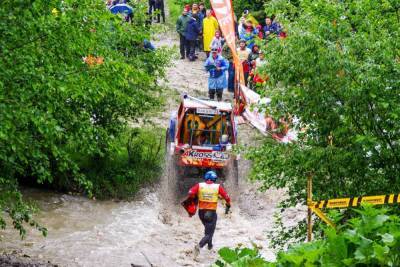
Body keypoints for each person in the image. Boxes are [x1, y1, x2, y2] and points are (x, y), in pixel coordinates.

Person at [188, 171, 231, 256]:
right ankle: (199, 246)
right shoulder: (217, 187)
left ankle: (210, 246)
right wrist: (228, 204)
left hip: (201, 213)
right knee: (209, 233)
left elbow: (190, 192)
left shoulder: (200, 185)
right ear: (215, 179)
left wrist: (194, 198)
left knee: (208, 230)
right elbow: (226, 197)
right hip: (210, 213)